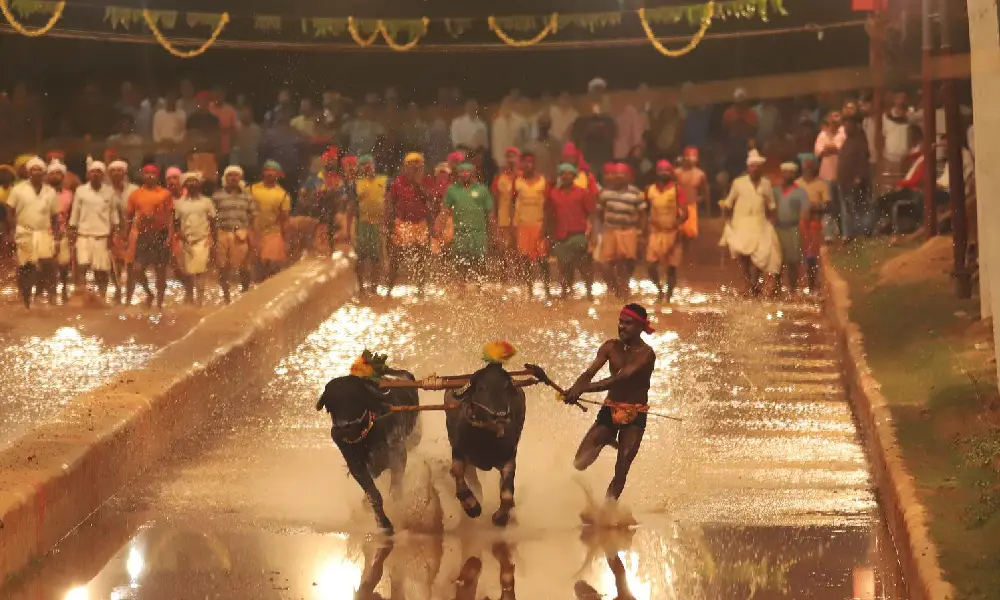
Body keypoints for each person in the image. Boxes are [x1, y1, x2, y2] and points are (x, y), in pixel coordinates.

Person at [564, 303, 657, 502]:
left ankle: (607, 511)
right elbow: (588, 374)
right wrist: (574, 389)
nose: (622, 327)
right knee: (579, 463)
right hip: (609, 410)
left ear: (641, 327)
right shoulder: (609, 346)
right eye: (620, 322)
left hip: (635, 415)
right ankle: (607, 438)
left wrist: (583, 389)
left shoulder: (646, 354)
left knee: (622, 468)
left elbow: (619, 379)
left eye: (628, 324)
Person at [719, 150, 781, 297]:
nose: (755, 169)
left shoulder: (766, 184)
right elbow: (729, 202)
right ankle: (748, 286)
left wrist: (772, 221)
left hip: (759, 224)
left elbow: (771, 204)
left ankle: (754, 283)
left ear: (761, 168)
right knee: (743, 257)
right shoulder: (738, 183)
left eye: (758, 166)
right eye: (752, 166)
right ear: (748, 167)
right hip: (741, 224)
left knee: (759, 257)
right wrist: (727, 220)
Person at [6, 156, 58, 307]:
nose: (36, 172)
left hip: (43, 232)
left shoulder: (50, 191)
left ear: (44, 173)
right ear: (28, 172)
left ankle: (49, 297)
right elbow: (10, 211)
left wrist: (56, 235)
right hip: (24, 231)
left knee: (48, 265)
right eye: (33, 170)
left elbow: (55, 216)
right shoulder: (18, 190)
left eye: (39, 170)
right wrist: (11, 231)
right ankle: (26, 300)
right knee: (26, 267)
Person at [385, 152, 434, 295]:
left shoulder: (426, 181)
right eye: (411, 166)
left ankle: (420, 289)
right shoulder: (397, 183)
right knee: (396, 257)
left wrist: (418, 184)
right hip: (402, 223)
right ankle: (389, 289)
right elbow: (390, 203)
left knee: (420, 258)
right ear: (405, 167)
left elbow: (432, 200)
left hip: (420, 224)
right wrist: (387, 224)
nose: (414, 169)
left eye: (417, 166)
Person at [126, 164, 174, 308]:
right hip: (143, 235)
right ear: (142, 175)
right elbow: (128, 217)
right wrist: (126, 237)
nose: (150, 175)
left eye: (153, 173)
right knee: (137, 269)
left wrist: (170, 236)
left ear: (158, 176)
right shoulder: (136, 194)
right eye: (147, 173)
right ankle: (149, 293)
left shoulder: (165, 193)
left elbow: (170, 217)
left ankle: (159, 304)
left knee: (160, 271)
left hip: (161, 234)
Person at [597, 163, 647, 301]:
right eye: (616, 174)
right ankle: (615, 288)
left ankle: (624, 292)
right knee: (604, 264)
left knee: (625, 263)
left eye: (622, 174)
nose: (618, 177)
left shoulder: (636, 193)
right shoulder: (605, 192)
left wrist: (640, 233)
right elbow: (600, 212)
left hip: (628, 231)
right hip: (610, 231)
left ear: (629, 177)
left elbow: (643, 215)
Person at [546, 163, 596, 299]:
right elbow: (549, 215)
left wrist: (592, 234)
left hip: (578, 234)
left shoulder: (582, 193)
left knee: (584, 266)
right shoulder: (553, 194)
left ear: (574, 176)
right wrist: (548, 236)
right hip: (560, 235)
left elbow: (591, 213)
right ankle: (565, 294)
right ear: (560, 176)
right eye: (563, 173)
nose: (566, 176)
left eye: (569, 173)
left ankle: (590, 294)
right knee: (563, 267)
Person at [69, 161, 117, 300]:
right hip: (83, 235)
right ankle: (81, 295)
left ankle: (101, 297)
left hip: (102, 236)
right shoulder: (81, 191)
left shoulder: (109, 192)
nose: (95, 174)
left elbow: (113, 216)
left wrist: (112, 237)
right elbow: (75, 213)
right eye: (93, 171)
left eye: (98, 171)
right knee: (82, 266)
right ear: (88, 174)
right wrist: (72, 232)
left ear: (103, 175)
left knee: (101, 270)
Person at [644, 160, 688, 302]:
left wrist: (676, 225)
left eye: (667, 170)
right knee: (651, 265)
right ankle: (659, 290)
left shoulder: (677, 189)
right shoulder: (649, 189)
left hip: (672, 233)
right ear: (657, 172)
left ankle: (668, 296)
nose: (664, 173)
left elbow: (685, 213)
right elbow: (644, 210)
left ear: (671, 173)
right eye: (661, 170)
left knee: (671, 267)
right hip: (655, 232)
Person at [445, 162, 495, 278]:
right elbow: (444, 211)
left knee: (479, 263)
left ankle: (479, 289)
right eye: (462, 171)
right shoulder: (452, 190)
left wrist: (494, 233)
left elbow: (490, 213)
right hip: (460, 233)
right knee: (460, 264)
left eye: (467, 171)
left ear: (473, 173)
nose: (464, 174)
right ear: (458, 174)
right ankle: (461, 289)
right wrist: (439, 226)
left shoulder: (482, 190)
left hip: (478, 233)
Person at [213, 165, 254, 303]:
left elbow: (253, 216)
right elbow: (212, 217)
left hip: (241, 233)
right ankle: (226, 298)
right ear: (225, 178)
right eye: (230, 175)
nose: (233, 178)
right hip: (222, 233)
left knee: (244, 266)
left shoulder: (247, 197)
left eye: (236, 175)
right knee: (223, 267)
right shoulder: (217, 195)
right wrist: (212, 237)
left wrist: (252, 236)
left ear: (240, 178)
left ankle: (246, 295)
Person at [174, 172, 216, 305]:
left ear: (199, 184)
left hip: (202, 240)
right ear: (185, 184)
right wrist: (180, 235)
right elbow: (175, 222)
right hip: (185, 241)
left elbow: (213, 221)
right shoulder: (179, 203)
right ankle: (190, 297)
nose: (192, 184)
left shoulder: (207, 202)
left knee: (200, 271)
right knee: (187, 272)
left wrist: (212, 238)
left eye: (194, 181)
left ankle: (200, 301)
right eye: (189, 181)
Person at [513, 152, 550, 296]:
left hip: (538, 223)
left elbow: (547, 206)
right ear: (522, 164)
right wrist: (513, 226)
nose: (528, 165)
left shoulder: (543, 181)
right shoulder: (517, 182)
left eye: (531, 162)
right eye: (525, 162)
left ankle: (547, 289)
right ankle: (529, 291)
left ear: (535, 164)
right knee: (525, 259)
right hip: (522, 224)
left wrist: (545, 227)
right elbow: (513, 204)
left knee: (542, 259)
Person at [352, 154, 388, 294]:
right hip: (363, 223)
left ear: (374, 165)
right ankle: (361, 287)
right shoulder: (357, 183)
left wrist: (386, 221)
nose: (367, 167)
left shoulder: (384, 180)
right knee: (361, 256)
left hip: (378, 224)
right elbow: (353, 204)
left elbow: (389, 201)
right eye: (364, 165)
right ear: (361, 168)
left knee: (376, 258)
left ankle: (374, 288)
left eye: (369, 164)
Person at [250, 160, 291, 281]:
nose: (270, 173)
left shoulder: (283, 194)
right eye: (267, 170)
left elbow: (285, 218)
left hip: (273, 232)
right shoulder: (252, 189)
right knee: (255, 265)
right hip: (254, 231)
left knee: (270, 262)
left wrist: (286, 238)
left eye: (273, 171)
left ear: (278, 174)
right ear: (263, 172)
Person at [774, 162, 809, 294]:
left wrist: (804, 228)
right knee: (777, 260)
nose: (787, 174)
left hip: (793, 228)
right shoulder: (775, 191)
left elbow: (805, 211)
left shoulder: (800, 192)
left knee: (793, 261)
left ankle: (793, 289)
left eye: (790, 172)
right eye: (784, 171)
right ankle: (776, 287)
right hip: (777, 228)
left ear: (794, 174)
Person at [796, 154, 829, 293]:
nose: (808, 168)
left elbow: (827, 205)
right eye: (805, 165)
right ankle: (794, 286)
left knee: (811, 256)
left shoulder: (821, 184)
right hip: (798, 223)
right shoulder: (796, 184)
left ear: (815, 167)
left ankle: (812, 285)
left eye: (811, 165)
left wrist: (814, 206)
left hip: (814, 223)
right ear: (802, 167)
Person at [107, 160, 138, 303]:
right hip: (113, 232)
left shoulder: (134, 190)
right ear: (109, 174)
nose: (116, 173)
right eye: (113, 171)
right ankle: (118, 290)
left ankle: (129, 296)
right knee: (115, 265)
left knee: (132, 265)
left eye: (119, 170)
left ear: (125, 173)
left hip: (132, 231)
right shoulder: (105, 191)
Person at [837, 116, 872, 240]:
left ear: (855, 126)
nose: (846, 129)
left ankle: (862, 233)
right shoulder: (847, 142)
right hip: (843, 181)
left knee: (858, 208)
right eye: (845, 126)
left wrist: (859, 178)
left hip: (855, 181)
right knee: (847, 209)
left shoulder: (860, 142)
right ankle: (849, 234)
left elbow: (863, 162)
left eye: (848, 126)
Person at [48, 160, 74, 302]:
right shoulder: (43, 193)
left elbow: (72, 214)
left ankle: (63, 289)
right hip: (45, 233)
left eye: (58, 173)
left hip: (63, 233)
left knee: (64, 265)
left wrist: (71, 232)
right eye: (51, 173)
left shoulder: (69, 194)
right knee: (47, 265)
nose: (55, 176)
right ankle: (50, 293)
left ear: (63, 177)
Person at [491, 146, 520, 259]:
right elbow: (495, 199)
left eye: (513, 156)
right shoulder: (499, 178)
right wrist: (494, 219)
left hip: (520, 220)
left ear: (518, 158)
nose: (511, 159)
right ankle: (506, 276)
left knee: (520, 251)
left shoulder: (523, 177)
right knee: (505, 251)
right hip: (504, 220)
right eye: (508, 157)